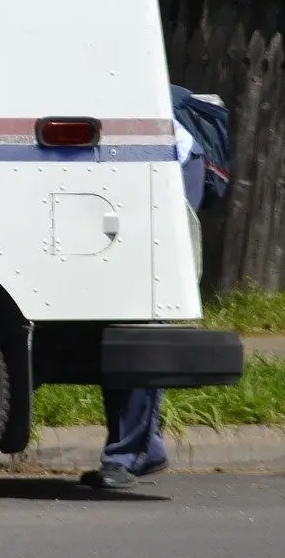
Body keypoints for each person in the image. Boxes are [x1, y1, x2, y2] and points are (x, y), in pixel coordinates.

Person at [82, 99, 220, 490]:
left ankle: (136, 452)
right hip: (134, 159)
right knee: (117, 306)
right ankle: (134, 447)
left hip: (165, 162)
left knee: (142, 304)